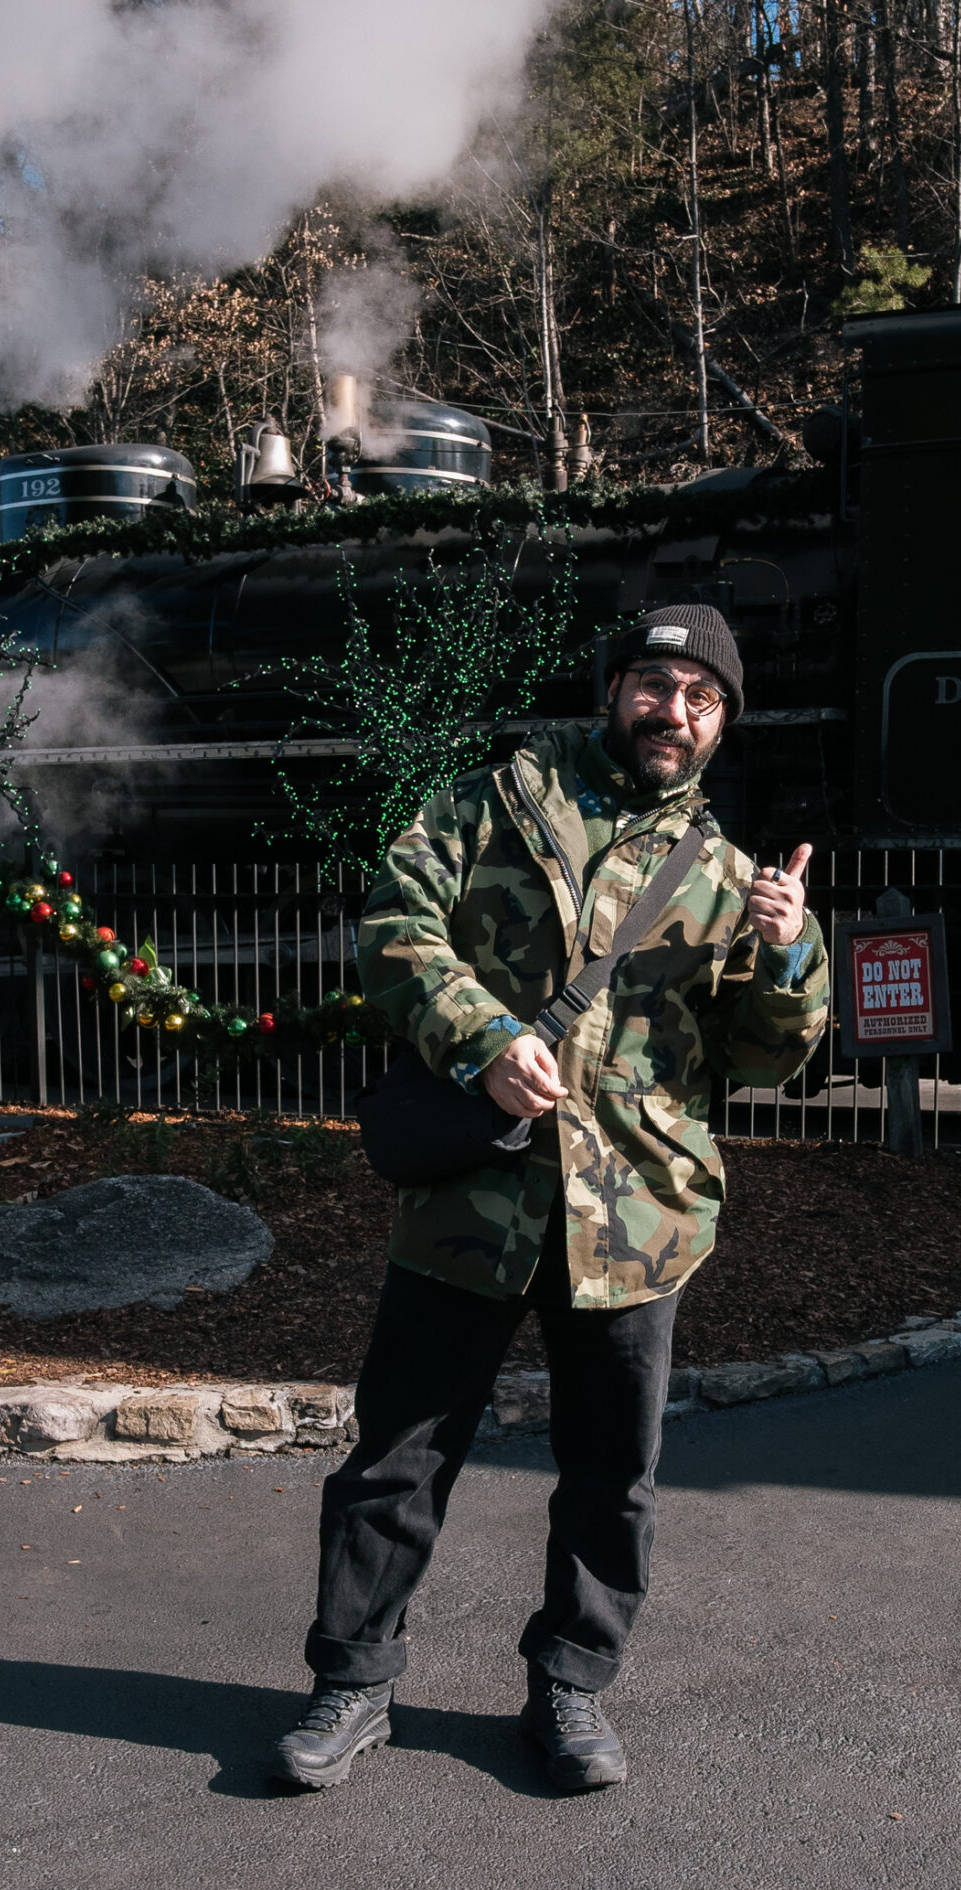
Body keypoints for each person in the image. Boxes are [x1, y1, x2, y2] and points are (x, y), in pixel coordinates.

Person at [274, 603, 830, 1795]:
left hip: (636, 1213)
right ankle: (353, 1679)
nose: (673, 711)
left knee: (609, 1470)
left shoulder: (729, 876)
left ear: (721, 722)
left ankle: (572, 1684)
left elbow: (761, 1058)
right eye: (655, 684)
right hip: (473, 1199)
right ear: (613, 689)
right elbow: (396, 927)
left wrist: (790, 953)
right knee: (398, 1456)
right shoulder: (488, 806)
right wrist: (481, 1038)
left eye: (701, 697)